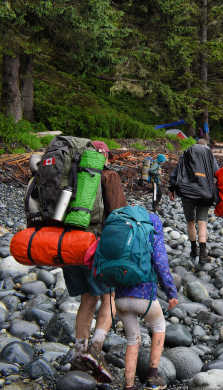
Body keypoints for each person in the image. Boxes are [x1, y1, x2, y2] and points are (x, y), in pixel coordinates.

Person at [65, 140, 127, 383]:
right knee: (109, 297)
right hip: (94, 245)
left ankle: (80, 350)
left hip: (68, 246)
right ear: (104, 157)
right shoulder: (108, 176)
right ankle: (95, 349)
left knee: (86, 300)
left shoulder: (70, 177)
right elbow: (119, 214)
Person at [111, 209, 178, 390]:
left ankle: (129, 385)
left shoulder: (118, 225)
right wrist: (171, 293)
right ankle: (152, 377)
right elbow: (160, 261)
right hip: (144, 296)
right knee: (159, 327)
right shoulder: (152, 223)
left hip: (120, 297)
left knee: (133, 339)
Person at [168, 138, 219, 264]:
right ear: (206, 146)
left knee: (190, 221)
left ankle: (193, 249)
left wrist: (172, 188)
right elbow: (217, 173)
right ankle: (203, 253)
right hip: (205, 193)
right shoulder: (209, 154)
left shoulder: (187, 153)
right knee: (202, 222)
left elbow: (177, 172)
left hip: (187, 193)